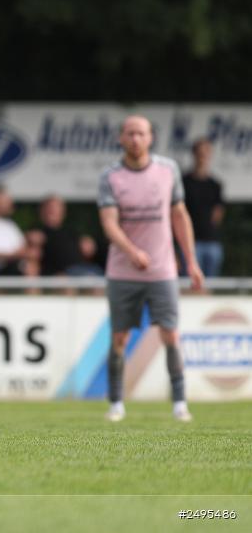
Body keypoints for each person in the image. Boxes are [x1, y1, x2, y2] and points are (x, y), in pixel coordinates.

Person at [98, 115, 204, 423]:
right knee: (119, 338)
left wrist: (191, 261)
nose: (135, 139)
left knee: (170, 334)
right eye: (129, 134)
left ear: (150, 138)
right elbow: (109, 223)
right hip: (122, 272)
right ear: (121, 138)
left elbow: (179, 216)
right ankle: (116, 403)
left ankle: (179, 402)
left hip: (162, 270)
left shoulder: (167, 170)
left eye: (140, 133)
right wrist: (132, 252)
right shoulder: (111, 176)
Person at [182, 139, 225, 277]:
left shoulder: (215, 184)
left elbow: (218, 211)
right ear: (194, 155)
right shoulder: (184, 182)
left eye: (206, 153)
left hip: (212, 242)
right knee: (190, 284)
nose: (203, 157)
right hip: (189, 243)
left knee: (210, 284)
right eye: (200, 153)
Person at [35, 195, 102, 277]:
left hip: (82, 269)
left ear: (63, 212)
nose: (52, 211)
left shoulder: (71, 232)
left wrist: (89, 244)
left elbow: (89, 249)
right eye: (50, 208)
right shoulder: (37, 232)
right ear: (42, 211)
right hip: (56, 273)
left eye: (56, 208)